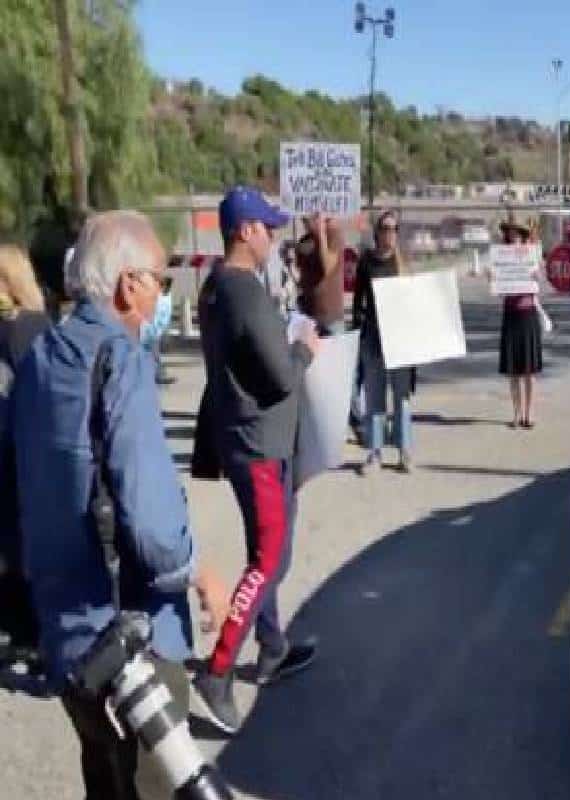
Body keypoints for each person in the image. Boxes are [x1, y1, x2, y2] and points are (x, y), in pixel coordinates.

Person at [10, 212, 228, 799]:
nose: (162, 296)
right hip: (135, 644)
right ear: (129, 284)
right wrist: (197, 572)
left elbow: (13, 496)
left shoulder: (35, 361)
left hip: (67, 640)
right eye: (159, 280)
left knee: (104, 782)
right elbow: (154, 530)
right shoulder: (121, 361)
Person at [194, 186, 321, 735]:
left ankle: (272, 646)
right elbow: (279, 375)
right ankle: (218, 671)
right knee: (268, 558)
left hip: (245, 440)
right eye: (267, 228)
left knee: (269, 550)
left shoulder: (215, 287)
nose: (272, 236)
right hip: (260, 446)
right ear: (245, 231)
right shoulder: (244, 291)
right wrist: (303, 349)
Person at [0, 246, 53, 663]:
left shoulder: (19, 329)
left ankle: (21, 629)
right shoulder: (34, 328)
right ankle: (30, 633)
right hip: (25, 447)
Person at [351, 210, 414, 474]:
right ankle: (374, 453)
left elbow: (414, 298)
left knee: (402, 396)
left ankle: (404, 452)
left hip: (400, 338)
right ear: (377, 232)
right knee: (375, 397)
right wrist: (357, 331)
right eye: (386, 228)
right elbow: (358, 300)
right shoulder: (366, 262)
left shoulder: (403, 262)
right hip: (374, 337)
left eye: (394, 229)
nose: (390, 233)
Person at [498, 220, 543, 429]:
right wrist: (493, 279)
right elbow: (498, 288)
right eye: (510, 235)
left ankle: (529, 413)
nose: (513, 238)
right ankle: (516, 413)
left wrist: (535, 273)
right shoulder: (501, 257)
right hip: (510, 314)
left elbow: (538, 281)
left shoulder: (531, 255)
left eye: (517, 235)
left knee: (529, 370)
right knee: (513, 370)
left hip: (528, 313)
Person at [295, 212, 346, 335]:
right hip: (308, 315)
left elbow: (328, 267)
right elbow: (300, 278)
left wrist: (321, 234)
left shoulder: (333, 235)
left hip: (330, 318)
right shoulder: (304, 241)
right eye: (303, 218)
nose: (305, 220)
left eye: (308, 217)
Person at [142, 275, 175, 385]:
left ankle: (156, 374)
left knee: (151, 354)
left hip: (152, 330)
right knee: (153, 354)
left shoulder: (163, 297)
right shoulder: (162, 297)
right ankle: (158, 374)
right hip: (151, 331)